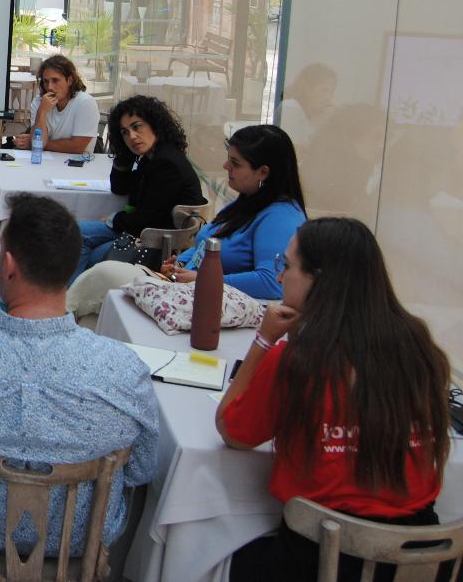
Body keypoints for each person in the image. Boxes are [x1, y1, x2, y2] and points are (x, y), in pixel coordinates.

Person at [0, 193, 158, 573]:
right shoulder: (126, 372)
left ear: (8, 266)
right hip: (77, 551)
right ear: (72, 265)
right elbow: (141, 471)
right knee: (132, 481)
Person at [217, 218, 452, 582]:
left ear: (319, 279)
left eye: (288, 266)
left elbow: (232, 431)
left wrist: (263, 342)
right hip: (423, 560)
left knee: (210, 549)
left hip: (322, 558)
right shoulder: (419, 347)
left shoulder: (296, 361)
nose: (279, 278)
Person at [69, 124, 308, 314]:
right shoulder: (248, 202)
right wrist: (180, 263)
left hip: (205, 300)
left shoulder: (280, 216)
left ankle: (56, 317)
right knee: (94, 317)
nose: (225, 166)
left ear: (263, 172)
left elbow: (271, 282)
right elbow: (206, 243)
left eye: (235, 163)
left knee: (106, 273)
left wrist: (203, 279)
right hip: (184, 286)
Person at [72, 95, 205, 282]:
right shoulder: (151, 158)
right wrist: (123, 154)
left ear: (154, 124)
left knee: (82, 242)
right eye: (124, 132)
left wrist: (113, 219)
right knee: (76, 234)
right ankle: (76, 296)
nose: (132, 136)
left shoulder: (167, 163)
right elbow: (120, 188)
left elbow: (146, 218)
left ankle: (71, 299)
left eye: (137, 127)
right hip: (144, 233)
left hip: (160, 244)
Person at [11, 54, 101, 154]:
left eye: (55, 80)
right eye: (46, 81)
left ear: (69, 80)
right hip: (46, 162)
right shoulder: (39, 102)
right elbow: (37, 141)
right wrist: (42, 112)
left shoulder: (85, 103)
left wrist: (38, 144)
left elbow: (77, 147)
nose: (50, 87)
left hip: (77, 165)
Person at [277, 63, 336, 148]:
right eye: (324, 90)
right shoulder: (290, 108)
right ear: (306, 89)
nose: (329, 98)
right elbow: (294, 153)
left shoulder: (313, 116)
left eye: (331, 92)